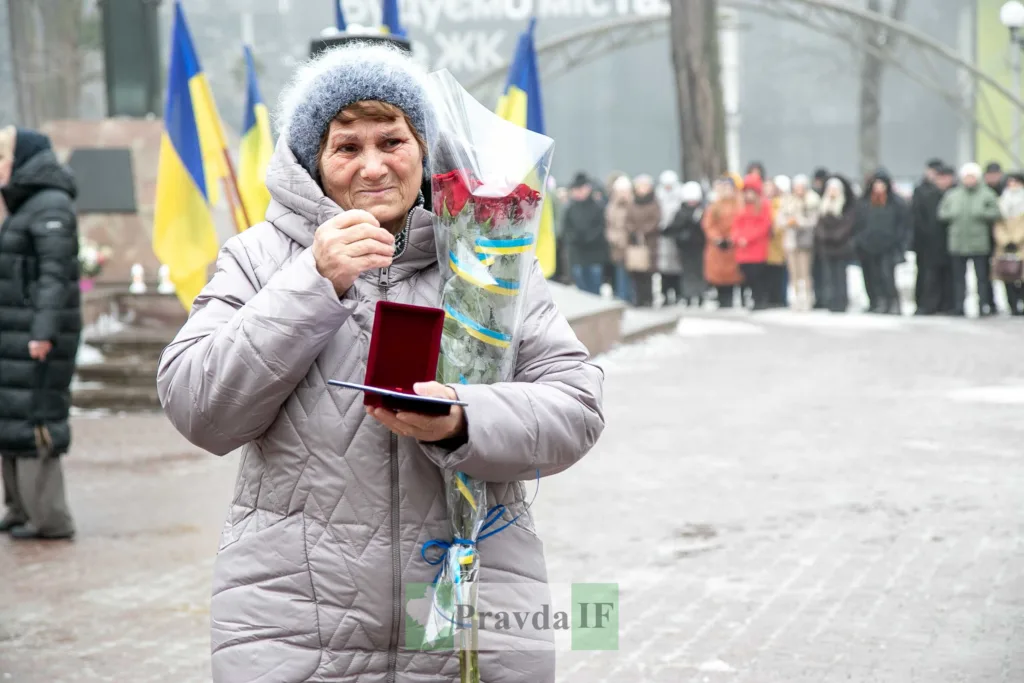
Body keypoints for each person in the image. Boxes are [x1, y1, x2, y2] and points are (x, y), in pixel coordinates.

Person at [155, 43, 605, 683]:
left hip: (471, 617)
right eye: (347, 147)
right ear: (314, 160)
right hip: (296, 624)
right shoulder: (259, 259)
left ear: (424, 149)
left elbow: (576, 407)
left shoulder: (489, 255)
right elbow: (198, 408)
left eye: (392, 141)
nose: (372, 167)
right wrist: (313, 281)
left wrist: (462, 419)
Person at [0, 127, 79, 540]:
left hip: (38, 337)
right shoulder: (24, 204)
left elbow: (54, 276)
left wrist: (43, 333)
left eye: (2, 159)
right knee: (11, 420)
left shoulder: (51, 204)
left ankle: (50, 519)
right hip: (15, 333)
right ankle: (18, 508)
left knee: (36, 422)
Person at [939, 162, 1001, 317]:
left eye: (972, 177)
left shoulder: (987, 194)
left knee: (982, 278)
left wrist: (982, 213)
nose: (969, 180)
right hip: (958, 242)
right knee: (959, 279)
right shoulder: (953, 195)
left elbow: (996, 212)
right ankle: (959, 306)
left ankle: (983, 305)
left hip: (979, 243)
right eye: (966, 177)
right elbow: (942, 213)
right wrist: (952, 215)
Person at [854, 171, 909, 314]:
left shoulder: (897, 203)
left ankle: (892, 303)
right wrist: (860, 240)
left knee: (887, 277)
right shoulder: (864, 203)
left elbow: (903, 226)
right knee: (871, 277)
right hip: (868, 246)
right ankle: (876, 302)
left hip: (889, 247)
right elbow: (857, 224)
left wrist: (901, 245)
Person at [912, 159, 954, 315]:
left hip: (949, 242)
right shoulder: (924, 193)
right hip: (927, 243)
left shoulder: (953, 194)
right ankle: (926, 304)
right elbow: (918, 218)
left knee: (948, 276)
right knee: (928, 276)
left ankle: (946, 304)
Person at [776, 175, 820, 311]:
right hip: (791, 241)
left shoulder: (811, 201)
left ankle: (806, 298)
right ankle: (795, 298)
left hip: (805, 242)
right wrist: (788, 222)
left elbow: (814, 221)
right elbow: (779, 219)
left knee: (804, 272)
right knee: (793, 273)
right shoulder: (787, 201)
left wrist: (799, 221)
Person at [815, 176, 857, 313]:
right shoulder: (824, 206)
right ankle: (831, 300)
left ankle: (841, 301)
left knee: (840, 276)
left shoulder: (845, 206)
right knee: (829, 276)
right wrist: (825, 236)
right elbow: (819, 226)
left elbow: (846, 226)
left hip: (841, 247)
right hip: (827, 247)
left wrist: (834, 236)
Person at [563, 173, 610, 295]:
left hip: (594, 253)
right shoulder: (570, 208)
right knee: (581, 287)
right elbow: (567, 229)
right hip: (577, 254)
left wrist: (588, 238)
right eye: (576, 189)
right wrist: (575, 238)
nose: (579, 192)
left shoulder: (597, 206)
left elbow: (601, 227)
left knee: (594, 285)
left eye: (581, 188)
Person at [732, 172, 774, 310]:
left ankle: (760, 299)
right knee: (747, 275)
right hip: (743, 249)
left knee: (758, 276)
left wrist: (748, 238)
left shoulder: (763, 207)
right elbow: (736, 225)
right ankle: (753, 299)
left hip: (756, 247)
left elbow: (764, 226)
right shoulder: (741, 208)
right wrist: (738, 238)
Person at [702, 176, 743, 308]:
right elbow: (708, 224)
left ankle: (730, 299)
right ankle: (720, 298)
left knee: (733, 274)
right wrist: (717, 238)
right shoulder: (714, 206)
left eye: (728, 188)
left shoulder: (738, 205)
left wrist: (733, 237)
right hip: (717, 246)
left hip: (733, 245)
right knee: (717, 273)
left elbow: (741, 223)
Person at [666, 181, 707, 307]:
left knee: (700, 271)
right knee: (687, 272)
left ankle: (700, 294)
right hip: (684, 248)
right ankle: (688, 294)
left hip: (700, 246)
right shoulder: (680, 212)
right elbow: (673, 229)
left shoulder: (702, 211)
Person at [624, 174, 661, 307]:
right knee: (636, 272)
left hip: (649, 242)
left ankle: (648, 298)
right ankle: (638, 298)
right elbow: (628, 220)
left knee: (648, 272)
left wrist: (643, 232)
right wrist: (633, 232)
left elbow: (655, 220)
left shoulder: (654, 203)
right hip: (635, 243)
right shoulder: (632, 203)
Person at [995, 171, 1024, 315]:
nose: (1013, 185)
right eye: (1010, 182)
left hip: (1021, 244)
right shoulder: (1001, 202)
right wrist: (1005, 240)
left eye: (1016, 182)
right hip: (1005, 246)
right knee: (1008, 274)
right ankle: (1012, 305)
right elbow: (998, 225)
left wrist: (1017, 239)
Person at [655, 170, 686, 304]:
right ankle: (665, 293)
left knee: (677, 266)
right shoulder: (658, 196)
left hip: (676, 235)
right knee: (664, 268)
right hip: (662, 236)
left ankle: (678, 293)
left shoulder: (680, 196)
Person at [604, 174, 634, 302]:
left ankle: (632, 297)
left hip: (632, 245)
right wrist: (615, 238)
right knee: (620, 273)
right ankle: (622, 297)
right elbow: (609, 225)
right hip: (618, 246)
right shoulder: (611, 206)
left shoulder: (633, 204)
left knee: (633, 273)